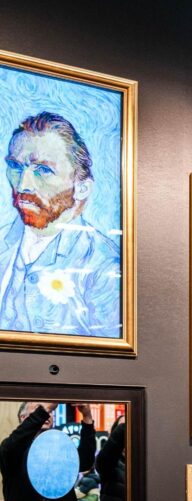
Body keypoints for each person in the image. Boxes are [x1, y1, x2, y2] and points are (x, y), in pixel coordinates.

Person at [0, 111, 121, 337]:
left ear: (81, 188)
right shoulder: (3, 242)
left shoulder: (104, 264)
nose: (23, 185)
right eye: (16, 166)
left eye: (43, 170)